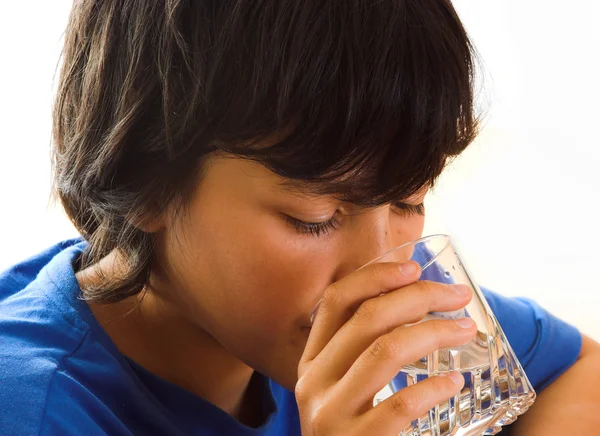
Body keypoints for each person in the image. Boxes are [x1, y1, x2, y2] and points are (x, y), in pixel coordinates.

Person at [1, 1, 598, 435]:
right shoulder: (33, 410)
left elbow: (582, 369)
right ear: (145, 181)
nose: (384, 264)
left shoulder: (380, 299)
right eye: (314, 218)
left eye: (409, 199)